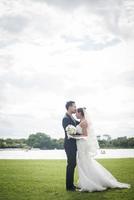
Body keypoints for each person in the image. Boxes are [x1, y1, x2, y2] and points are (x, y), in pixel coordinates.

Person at [75, 107, 131, 192]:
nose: (76, 114)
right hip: (81, 145)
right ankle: (85, 182)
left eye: (76, 112)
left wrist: (74, 136)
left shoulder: (84, 122)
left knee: (85, 163)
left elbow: (85, 136)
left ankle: (90, 183)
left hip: (82, 145)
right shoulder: (81, 122)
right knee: (84, 163)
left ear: (80, 113)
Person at [62, 101, 79, 191]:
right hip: (69, 145)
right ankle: (69, 186)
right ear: (69, 107)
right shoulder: (65, 118)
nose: (75, 108)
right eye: (74, 107)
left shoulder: (71, 117)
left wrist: (84, 118)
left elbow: (79, 123)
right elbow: (69, 133)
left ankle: (71, 184)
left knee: (73, 164)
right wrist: (80, 135)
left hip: (73, 145)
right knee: (71, 164)